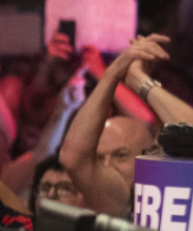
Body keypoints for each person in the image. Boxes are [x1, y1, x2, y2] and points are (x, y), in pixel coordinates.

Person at [57, 34, 172, 217]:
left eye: (121, 155)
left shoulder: (167, 195)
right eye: (99, 158)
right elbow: (72, 157)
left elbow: (190, 129)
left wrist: (136, 78)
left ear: (152, 156)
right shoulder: (109, 200)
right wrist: (113, 72)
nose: (108, 166)